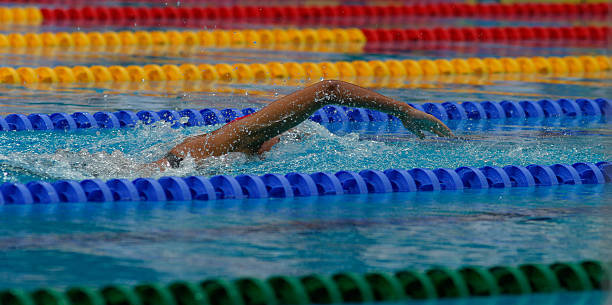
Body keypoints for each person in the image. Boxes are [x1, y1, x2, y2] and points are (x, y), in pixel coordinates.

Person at [152, 80, 453, 170]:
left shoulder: (245, 146)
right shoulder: (243, 137)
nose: (285, 135)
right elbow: (329, 90)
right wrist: (402, 110)